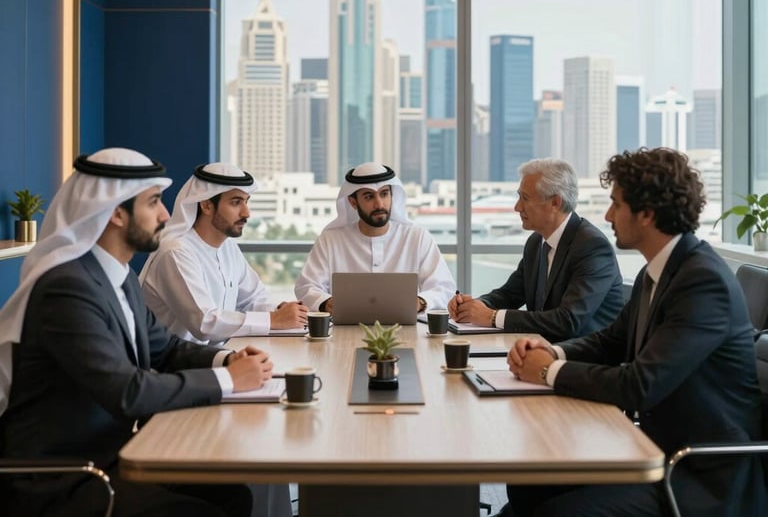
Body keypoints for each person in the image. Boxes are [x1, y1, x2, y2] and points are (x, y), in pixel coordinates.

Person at [0, 148, 275, 517]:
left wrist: (228, 357)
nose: (165, 215)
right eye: (153, 203)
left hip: (118, 453)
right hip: (65, 476)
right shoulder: (66, 288)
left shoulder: (118, 274)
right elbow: (128, 392)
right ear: (116, 212)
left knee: (232, 494)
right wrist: (228, 380)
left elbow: (165, 348)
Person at [504, 148, 766, 517]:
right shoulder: (657, 271)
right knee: (528, 481)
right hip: (650, 448)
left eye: (616, 204)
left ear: (646, 214)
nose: (608, 215)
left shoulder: (702, 282)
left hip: (698, 476)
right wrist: (553, 352)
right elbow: (612, 339)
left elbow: (639, 386)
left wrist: (547, 372)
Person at [448, 158, 623, 341]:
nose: (517, 207)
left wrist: (491, 317)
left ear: (555, 202)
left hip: (584, 361)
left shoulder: (592, 246)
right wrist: (474, 306)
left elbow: (568, 321)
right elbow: (509, 294)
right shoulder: (536, 242)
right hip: (542, 351)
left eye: (525, 198)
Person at [140, 162, 307, 344]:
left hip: (218, 356)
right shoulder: (175, 252)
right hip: (176, 367)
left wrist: (282, 310)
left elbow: (253, 298)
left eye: (246, 201)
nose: (246, 213)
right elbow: (205, 323)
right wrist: (274, 319)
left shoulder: (228, 247)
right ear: (207, 206)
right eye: (235, 202)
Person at [294, 162, 456, 312]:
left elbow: (443, 287)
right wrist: (326, 302)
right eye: (369, 197)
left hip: (405, 331)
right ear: (353, 202)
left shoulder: (417, 237)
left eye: (384, 194)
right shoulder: (330, 240)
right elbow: (307, 286)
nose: (379, 204)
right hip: (343, 332)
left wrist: (420, 301)